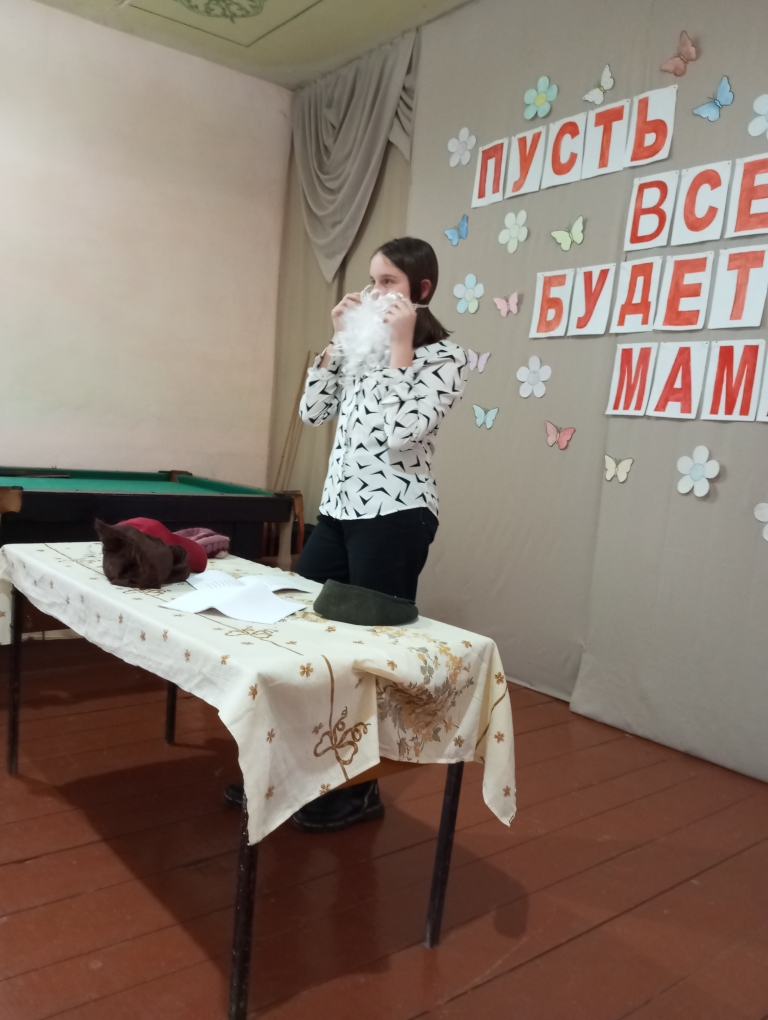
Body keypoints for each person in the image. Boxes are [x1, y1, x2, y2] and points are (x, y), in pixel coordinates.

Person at [225, 236, 467, 831]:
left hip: (395, 518)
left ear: (422, 290)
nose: (374, 293)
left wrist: (401, 347)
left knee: (372, 657)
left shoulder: (446, 358)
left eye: (388, 283)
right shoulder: (361, 347)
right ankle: (295, 770)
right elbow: (312, 413)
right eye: (371, 280)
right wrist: (337, 342)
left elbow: (401, 433)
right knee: (305, 638)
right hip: (338, 513)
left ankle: (360, 791)